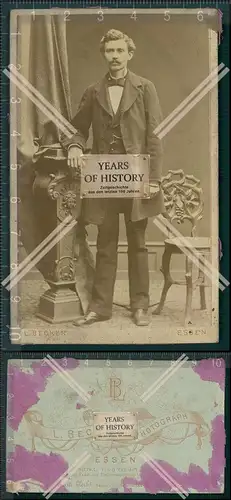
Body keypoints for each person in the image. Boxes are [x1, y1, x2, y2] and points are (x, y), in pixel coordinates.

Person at [60, 29, 165, 327]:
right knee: (105, 243)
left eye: (120, 51)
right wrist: (77, 145)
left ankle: (140, 305)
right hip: (102, 180)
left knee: (138, 243)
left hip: (138, 178)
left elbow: (154, 135)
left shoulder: (146, 88)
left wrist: (154, 179)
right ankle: (100, 307)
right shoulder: (93, 91)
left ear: (130, 54)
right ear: (104, 54)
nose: (115, 56)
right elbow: (75, 129)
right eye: (110, 51)